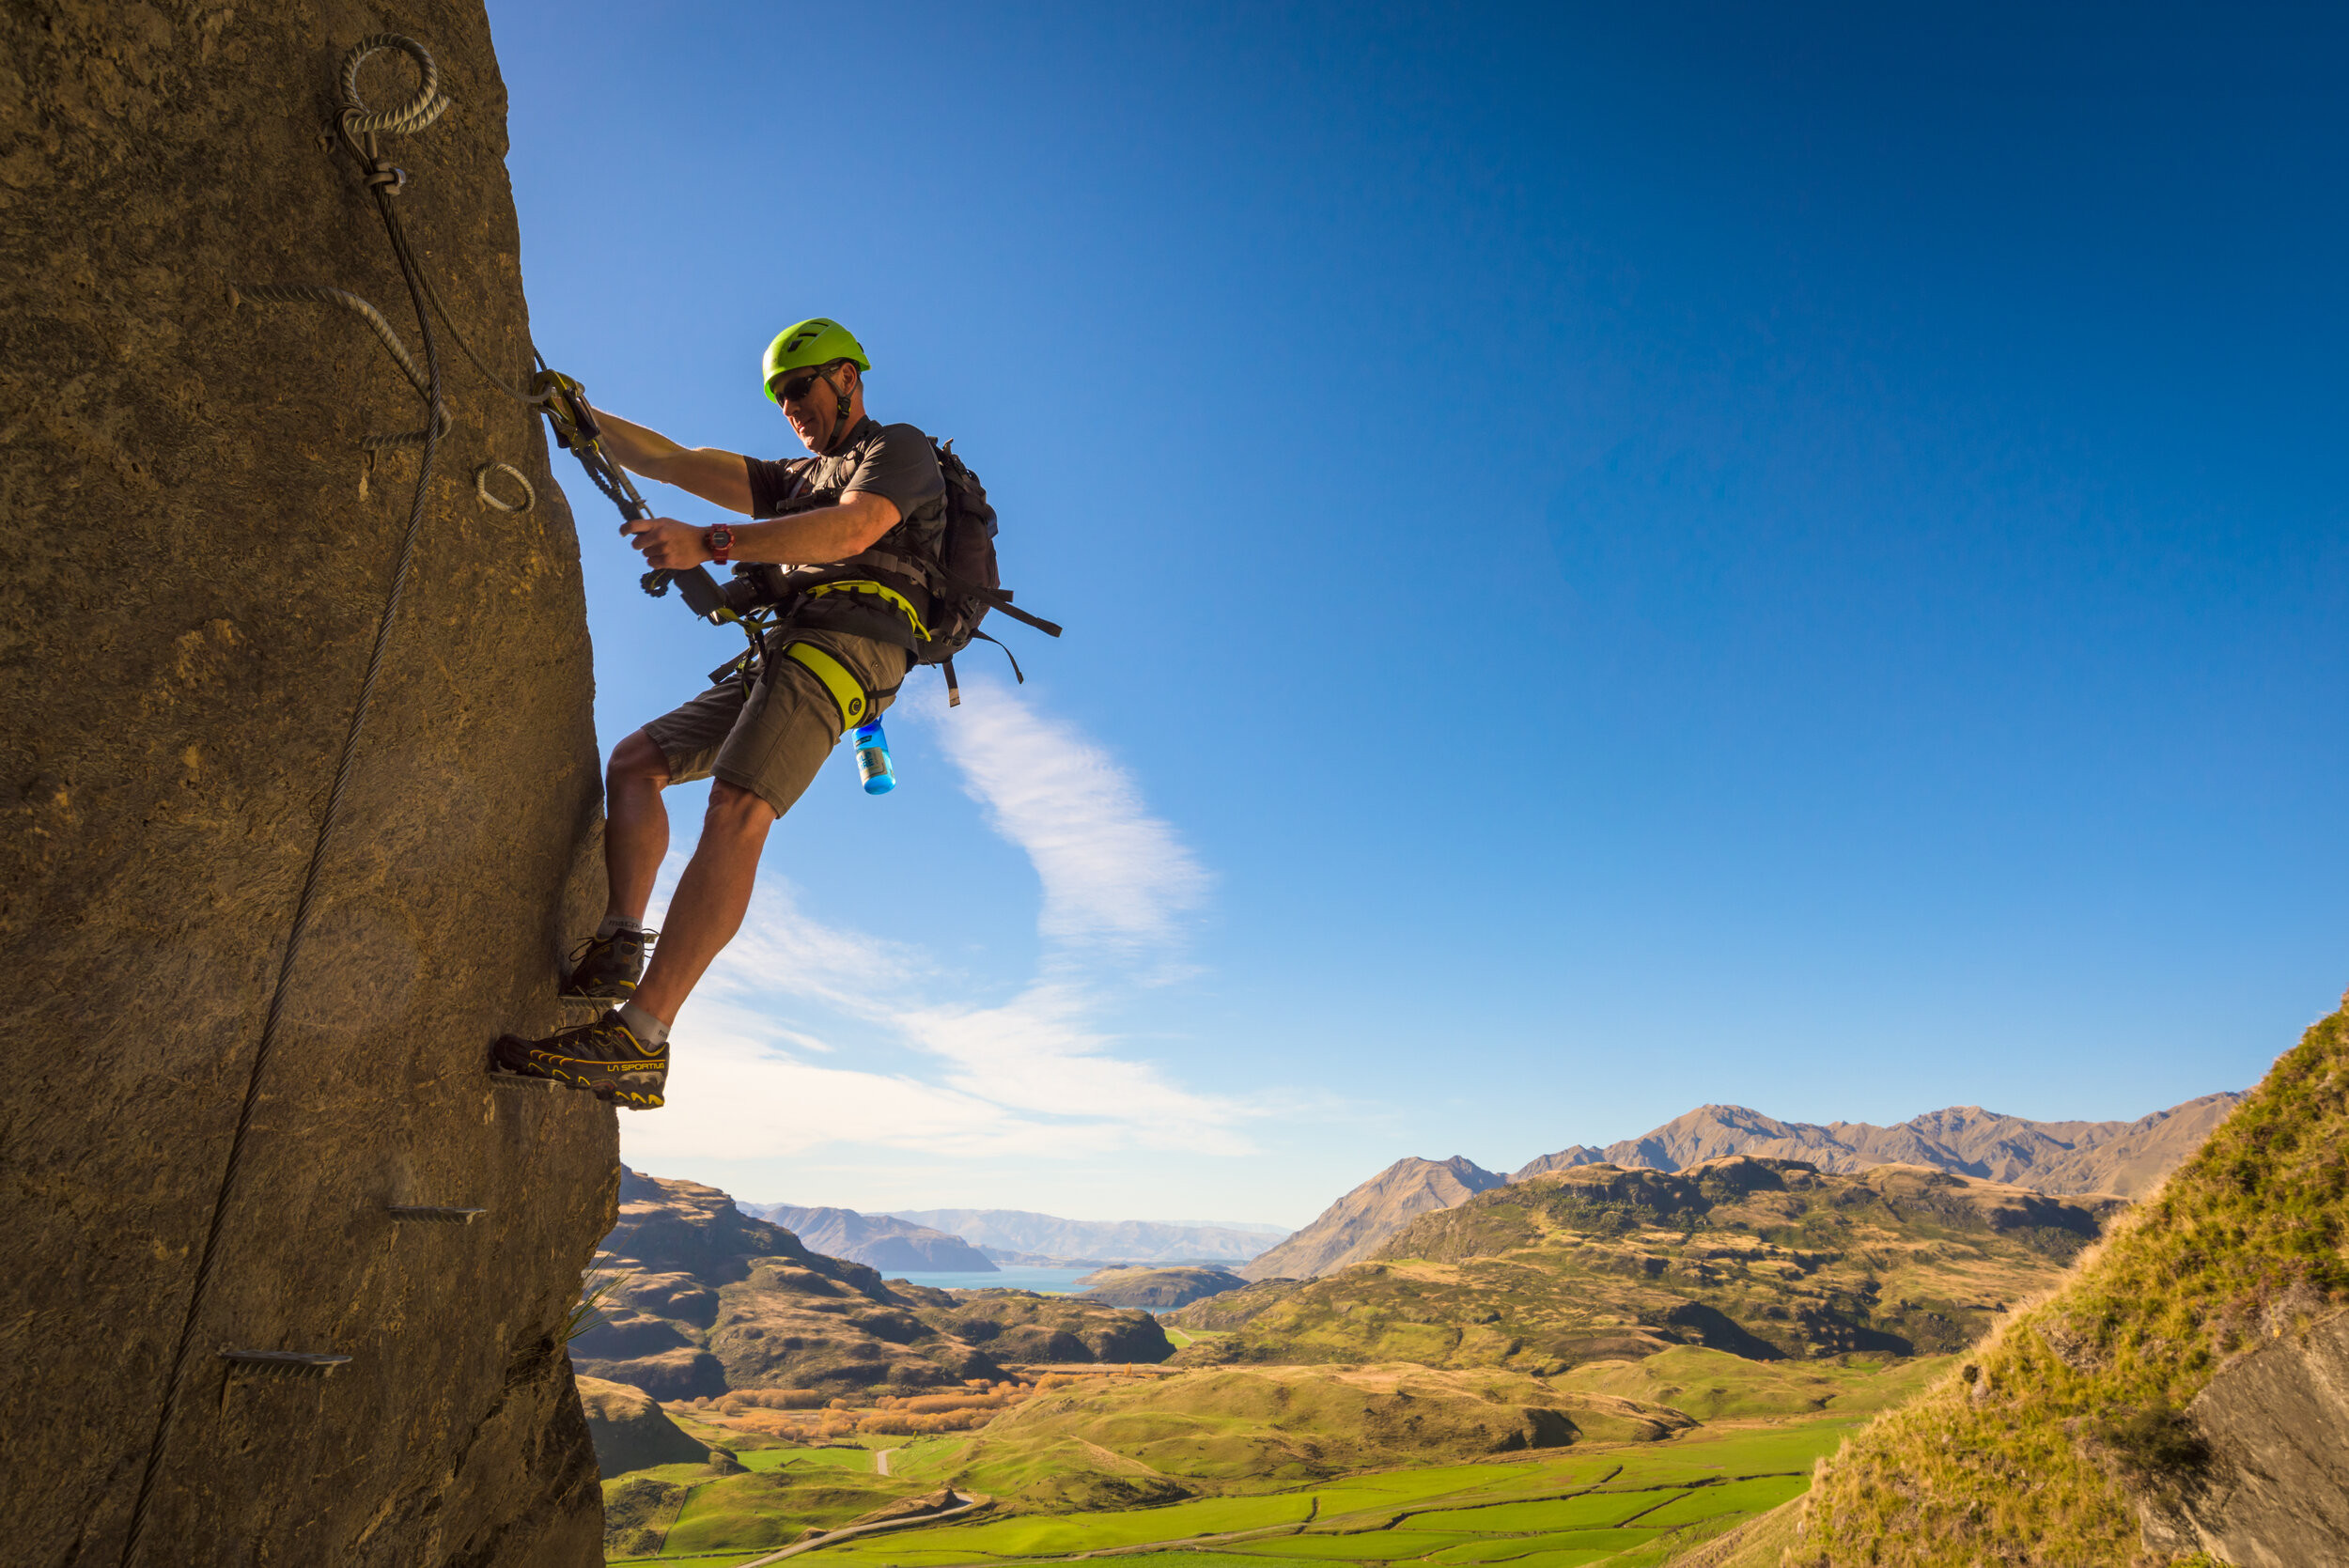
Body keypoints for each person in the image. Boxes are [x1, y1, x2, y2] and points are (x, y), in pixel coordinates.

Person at [494, 318, 945, 1109]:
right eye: (778, 395)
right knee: (637, 763)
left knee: (739, 805)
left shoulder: (898, 450)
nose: (789, 407)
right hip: (794, 645)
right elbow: (674, 461)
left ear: (847, 378)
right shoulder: (796, 478)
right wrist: (579, 413)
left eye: (799, 388)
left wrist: (711, 542)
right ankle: (621, 942)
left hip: (854, 642)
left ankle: (641, 1036)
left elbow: (855, 527)